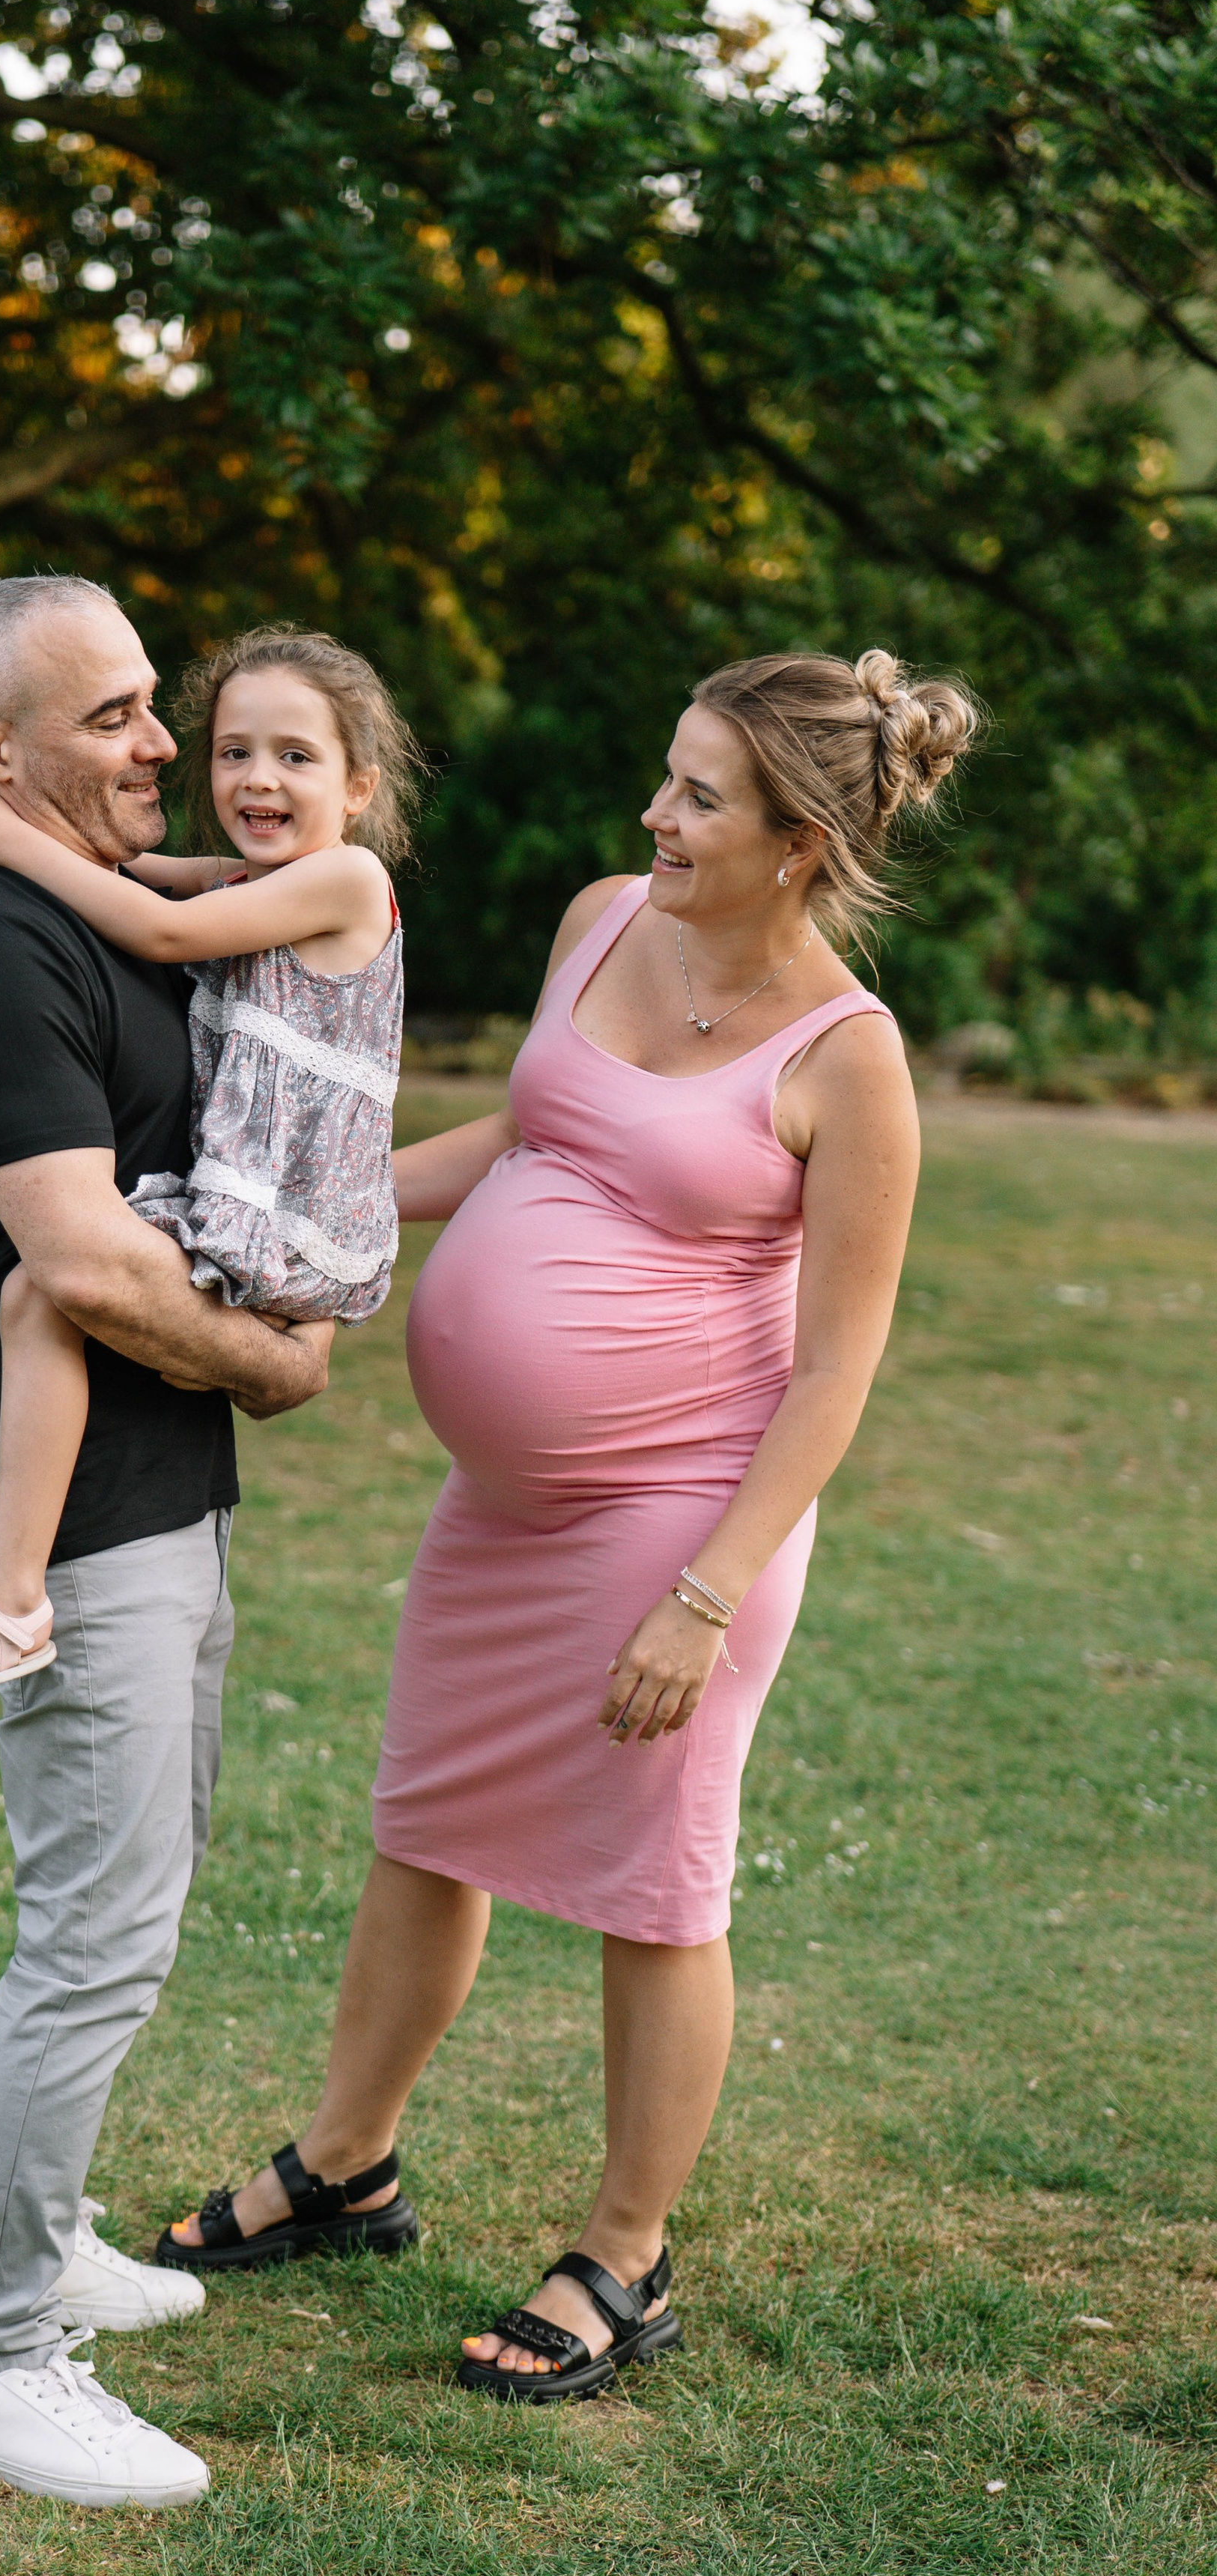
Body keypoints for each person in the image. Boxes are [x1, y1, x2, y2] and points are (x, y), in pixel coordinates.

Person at [157, 649, 978, 2402]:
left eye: (697, 796)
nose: (652, 814)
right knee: (423, 1825)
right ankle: (344, 2162)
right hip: (505, 1512)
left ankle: (622, 2253)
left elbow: (834, 1371)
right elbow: (531, 1135)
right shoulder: (605, 920)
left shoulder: (848, 1057)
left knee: (654, 1892)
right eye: (664, 775)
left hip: (680, 1521)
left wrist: (704, 1595)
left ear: (796, 840)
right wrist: (311, 1226)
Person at [0, 574, 335, 2509]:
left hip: (163, 1498)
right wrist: (279, 1366)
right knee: (92, 1938)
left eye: (157, 703)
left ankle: (38, 2239)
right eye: (114, 715)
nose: (164, 743)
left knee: (130, 1909)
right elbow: (77, 1259)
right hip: (75, 1537)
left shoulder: (98, 911)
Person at [0, 626, 411, 1714]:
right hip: (268, 1212)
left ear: (359, 788)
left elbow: (155, 927)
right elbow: (146, 875)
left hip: (283, 1220)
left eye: (295, 756)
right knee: (64, 1280)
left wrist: (11, 843)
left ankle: (8, 1598)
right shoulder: (264, 881)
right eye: (235, 751)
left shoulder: (348, 875)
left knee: (42, 1292)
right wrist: (31, 832)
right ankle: (12, 1593)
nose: (256, 778)